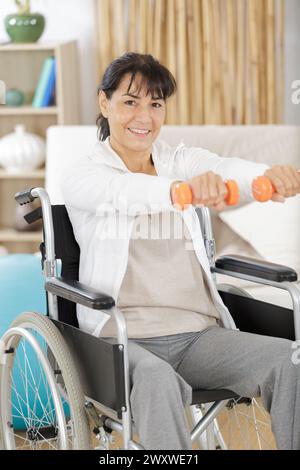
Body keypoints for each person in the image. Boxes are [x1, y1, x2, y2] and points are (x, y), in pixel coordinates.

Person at [62, 52, 300, 450]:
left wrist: (268, 175)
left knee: (290, 362)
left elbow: (229, 169)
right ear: (104, 104)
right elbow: (124, 192)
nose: (144, 116)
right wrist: (177, 191)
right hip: (124, 339)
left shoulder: (179, 160)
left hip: (198, 336)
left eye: (155, 104)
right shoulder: (84, 175)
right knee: (157, 380)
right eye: (130, 102)